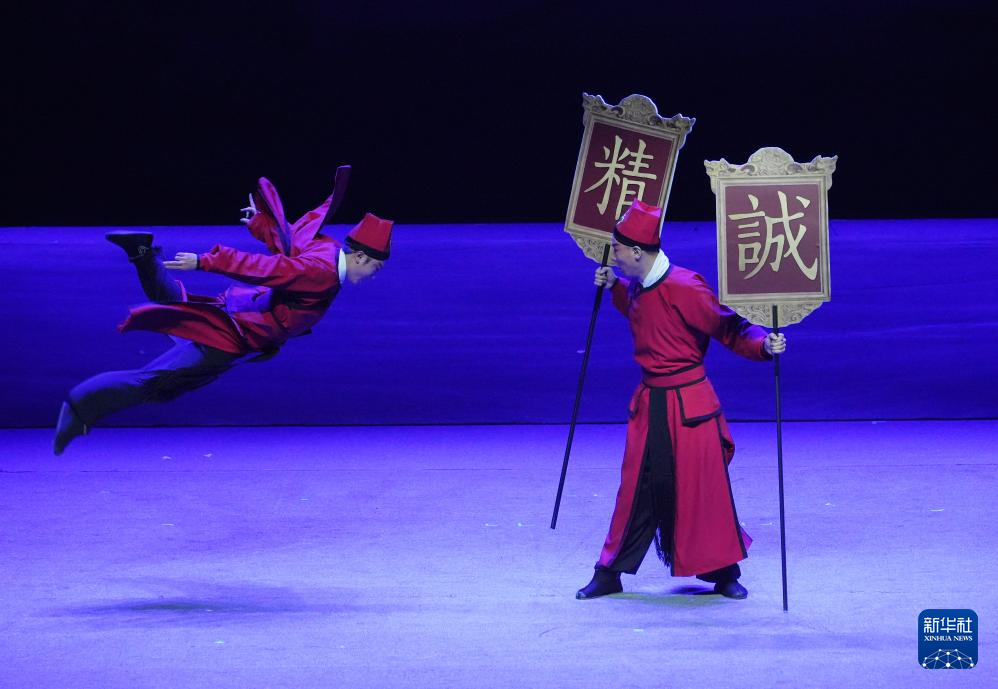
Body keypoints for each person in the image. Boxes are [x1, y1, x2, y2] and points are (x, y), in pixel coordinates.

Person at [53, 170, 394, 454]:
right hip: (234, 334)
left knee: (176, 305)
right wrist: (205, 261)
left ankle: (142, 252)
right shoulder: (323, 272)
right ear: (360, 257)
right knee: (157, 381)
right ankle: (79, 408)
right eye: (375, 268)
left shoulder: (327, 248)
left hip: (240, 311)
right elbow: (268, 268)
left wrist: (259, 225)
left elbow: (289, 244)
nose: (373, 276)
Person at [576, 199, 786, 601]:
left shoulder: (686, 287)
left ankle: (725, 573)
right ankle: (609, 572)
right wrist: (614, 286)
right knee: (635, 488)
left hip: (690, 405)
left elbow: (729, 328)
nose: (613, 255)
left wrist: (763, 345)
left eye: (617, 249)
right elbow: (643, 314)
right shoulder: (639, 284)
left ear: (637, 252)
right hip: (650, 402)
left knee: (703, 490)